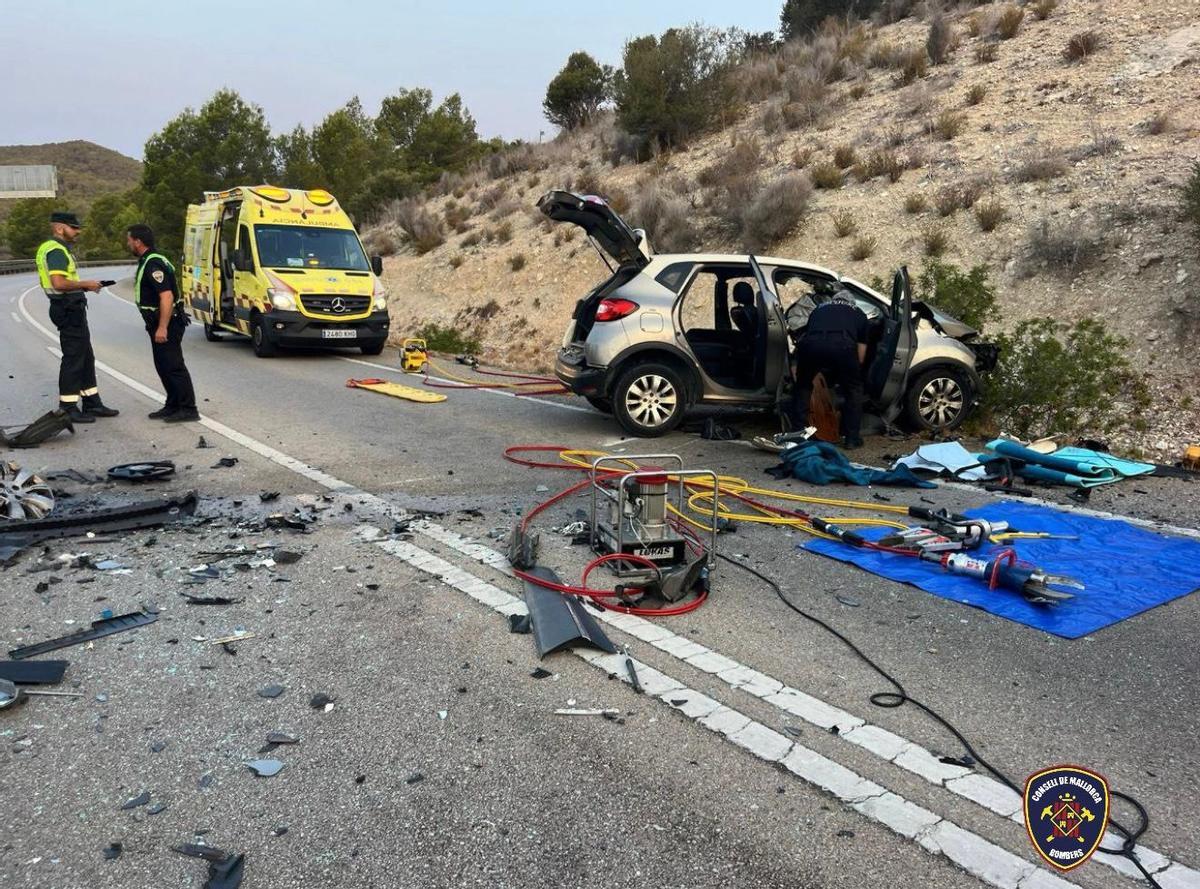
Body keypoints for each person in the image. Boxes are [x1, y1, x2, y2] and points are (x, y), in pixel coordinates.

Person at [33, 211, 120, 423]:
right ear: (60, 228)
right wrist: (85, 284)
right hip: (67, 309)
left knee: (85, 356)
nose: (78, 231)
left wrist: (86, 289)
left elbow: (64, 284)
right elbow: (59, 283)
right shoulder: (56, 250)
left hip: (71, 306)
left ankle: (92, 403)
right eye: (74, 228)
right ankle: (68, 407)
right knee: (74, 358)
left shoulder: (56, 248)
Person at [126, 224, 199, 422]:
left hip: (167, 322)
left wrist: (162, 327)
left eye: (130, 240)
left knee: (173, 366)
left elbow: (166, 296)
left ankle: (188, 408)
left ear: (138, 241)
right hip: (158, 322)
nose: (128, 243)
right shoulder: (148, 260)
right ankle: (173, 404)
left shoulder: (153, 263)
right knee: (163, 365)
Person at [788, 287, 869, 450]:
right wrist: (849, 373)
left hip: (811, 346)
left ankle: (798, 434)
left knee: (803, 386)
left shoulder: (819, 309)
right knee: (853, 390)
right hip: (843, 347)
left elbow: (808, 335)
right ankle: (852, 438)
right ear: (851, 302)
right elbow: (860, 356)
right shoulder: (859, 314)